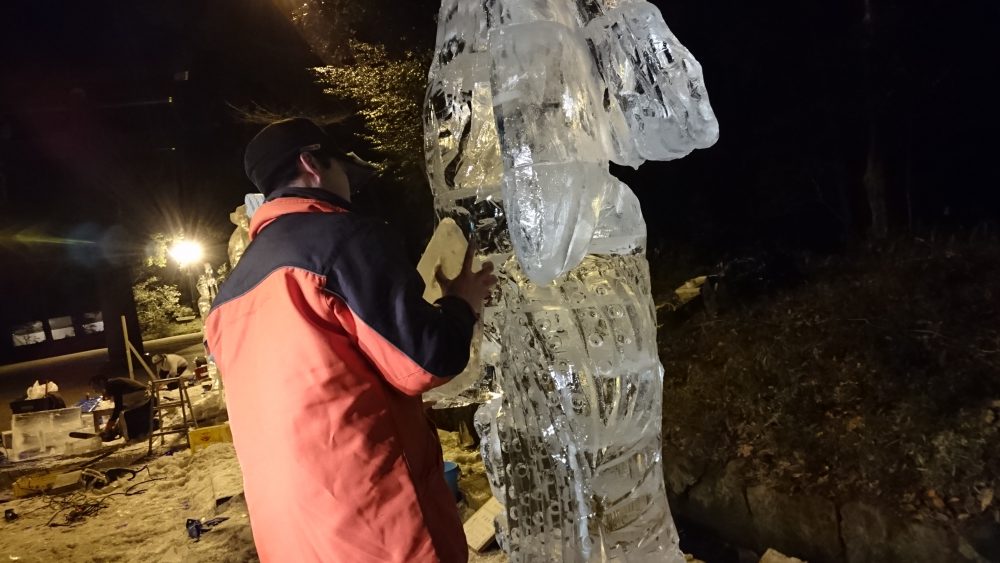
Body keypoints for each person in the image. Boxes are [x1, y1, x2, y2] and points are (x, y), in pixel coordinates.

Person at [205, 118, 496, 563]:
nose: (349, 188)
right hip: (375, 527)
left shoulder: (228, 296)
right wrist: (460, 302)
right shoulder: (344, 239)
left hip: (291, 536)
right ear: (311, 164)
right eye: (342, 168)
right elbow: (427, 361)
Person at [91, 375, 154, 441]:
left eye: (94, 387)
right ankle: (116, 431)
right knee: (120, 414)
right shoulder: (110, 384)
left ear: (101, 383)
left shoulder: (112, 385)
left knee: (122, 413)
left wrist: (110, 424)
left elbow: (118, 407)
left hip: (142, 395)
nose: (94, 390)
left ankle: (128, 435)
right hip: (141, 395)